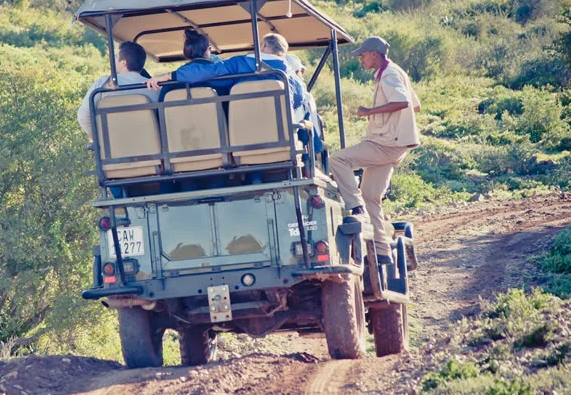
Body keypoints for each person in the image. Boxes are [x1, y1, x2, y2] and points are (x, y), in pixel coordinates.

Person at [328, 36, 420, 264]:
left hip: (385, 144)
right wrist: (394, 124)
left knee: (337, 160)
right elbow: (415, 105)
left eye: (363, 55)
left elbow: (403, 103)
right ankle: (382, 251)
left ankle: (354, 206)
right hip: (393, 143)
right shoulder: (394, 72)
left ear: (373, 54)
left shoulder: (389, 75)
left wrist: (370, 112)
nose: (361, 59)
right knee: (371, 196)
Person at [147, 33, 305, 112]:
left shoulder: (239, 63)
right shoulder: (290, 75)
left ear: (262, 46)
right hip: (278, 128)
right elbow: (298, 101)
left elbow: (210, 73)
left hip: (241, 125)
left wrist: (170, 76)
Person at [77, 41, 157, 140]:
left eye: (116, 57)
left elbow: (84, 116)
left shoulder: (104, 83)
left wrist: (99, 142)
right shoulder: (155, 88)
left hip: (111, 145)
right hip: (150, 144)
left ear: (124, 63)